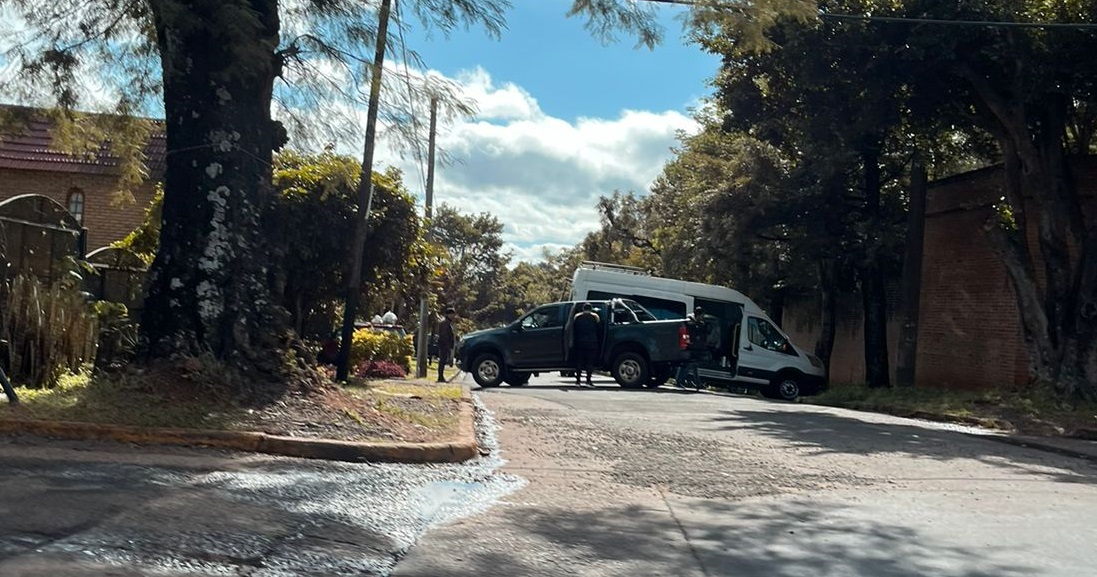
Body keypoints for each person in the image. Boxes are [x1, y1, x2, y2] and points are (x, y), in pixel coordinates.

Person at [676, 306, 710, 390]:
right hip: (689, 346)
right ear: (698, 314)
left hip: (695, 347)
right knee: (688, 365)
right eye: (702, 315)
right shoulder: (690, 322)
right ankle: (679, 381)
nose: (702, 317)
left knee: (693, 365)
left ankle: (697, 383)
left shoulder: (697, 323)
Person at [571, 303, 601, 387]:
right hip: (592, 342)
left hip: (580, 342)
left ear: (583, 309)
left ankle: (578, 381)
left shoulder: (577, 317)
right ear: (591, 309)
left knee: (579, 361)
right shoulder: (595, 317)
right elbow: (599, 330)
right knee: (590, 362)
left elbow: (574, 330)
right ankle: (588, 381)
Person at [436, 307, 458, 383]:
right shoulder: (445, 323)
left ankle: (441, 376)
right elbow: (444, 335)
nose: (453, 316)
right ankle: (440, 377)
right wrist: (448, 345)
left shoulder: (447, 323)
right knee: (442, 360)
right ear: (448, 314)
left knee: (443, 360)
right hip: (444, 344)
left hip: (445, 344)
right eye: (452, 314)